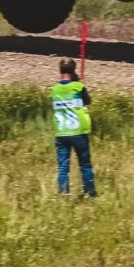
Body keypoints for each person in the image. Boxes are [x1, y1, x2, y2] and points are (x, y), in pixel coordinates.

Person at [49, 58, 96, 197]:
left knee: (63, 166)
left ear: (60, 71)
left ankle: (64, 193)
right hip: (78, 131)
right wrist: (78, 82)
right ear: (73, 70)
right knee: (85, 165)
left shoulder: (54, 90)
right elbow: (88, 101)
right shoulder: (78, 87)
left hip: (62, 132)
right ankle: (90, 193)